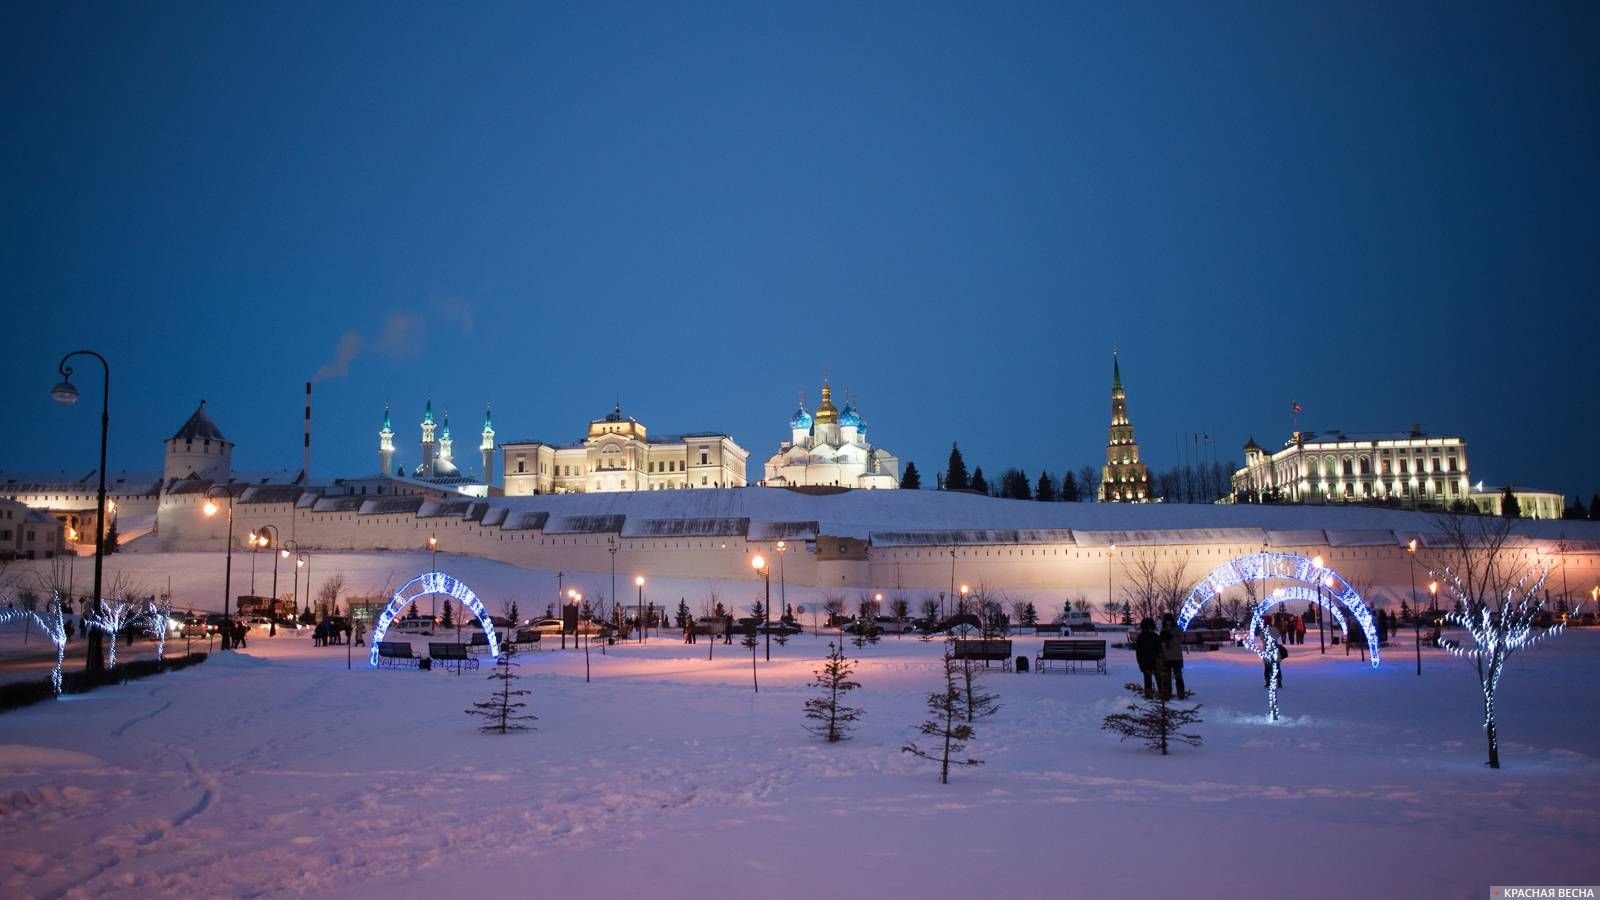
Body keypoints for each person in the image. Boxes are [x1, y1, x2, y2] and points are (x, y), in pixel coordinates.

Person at [1159, 613, 1187, 699]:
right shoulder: (1162, 630)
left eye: (1169, 621)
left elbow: (1180, 640)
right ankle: (1167, 694)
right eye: (1167, 621)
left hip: (1176, 657)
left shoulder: (1177, 629)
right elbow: (1161, 643)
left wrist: (1171, 637)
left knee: (1178, 676)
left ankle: (1181, 693)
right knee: (1167, 678)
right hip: (1166, 657)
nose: (1168, 623)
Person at [1133, 618, 1162, 699]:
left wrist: (1160, 661)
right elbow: (1138, 652)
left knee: (1158, 679)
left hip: (1155, 662)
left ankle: (1161, 694)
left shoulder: (1155, 636)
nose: (1149, 629)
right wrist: (1140, 663)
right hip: (1146, 662)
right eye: (1147, 627)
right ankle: (1149, 695)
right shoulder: (1141, 637)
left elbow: (1159, 650)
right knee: (1148, 679)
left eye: (1150, 627)